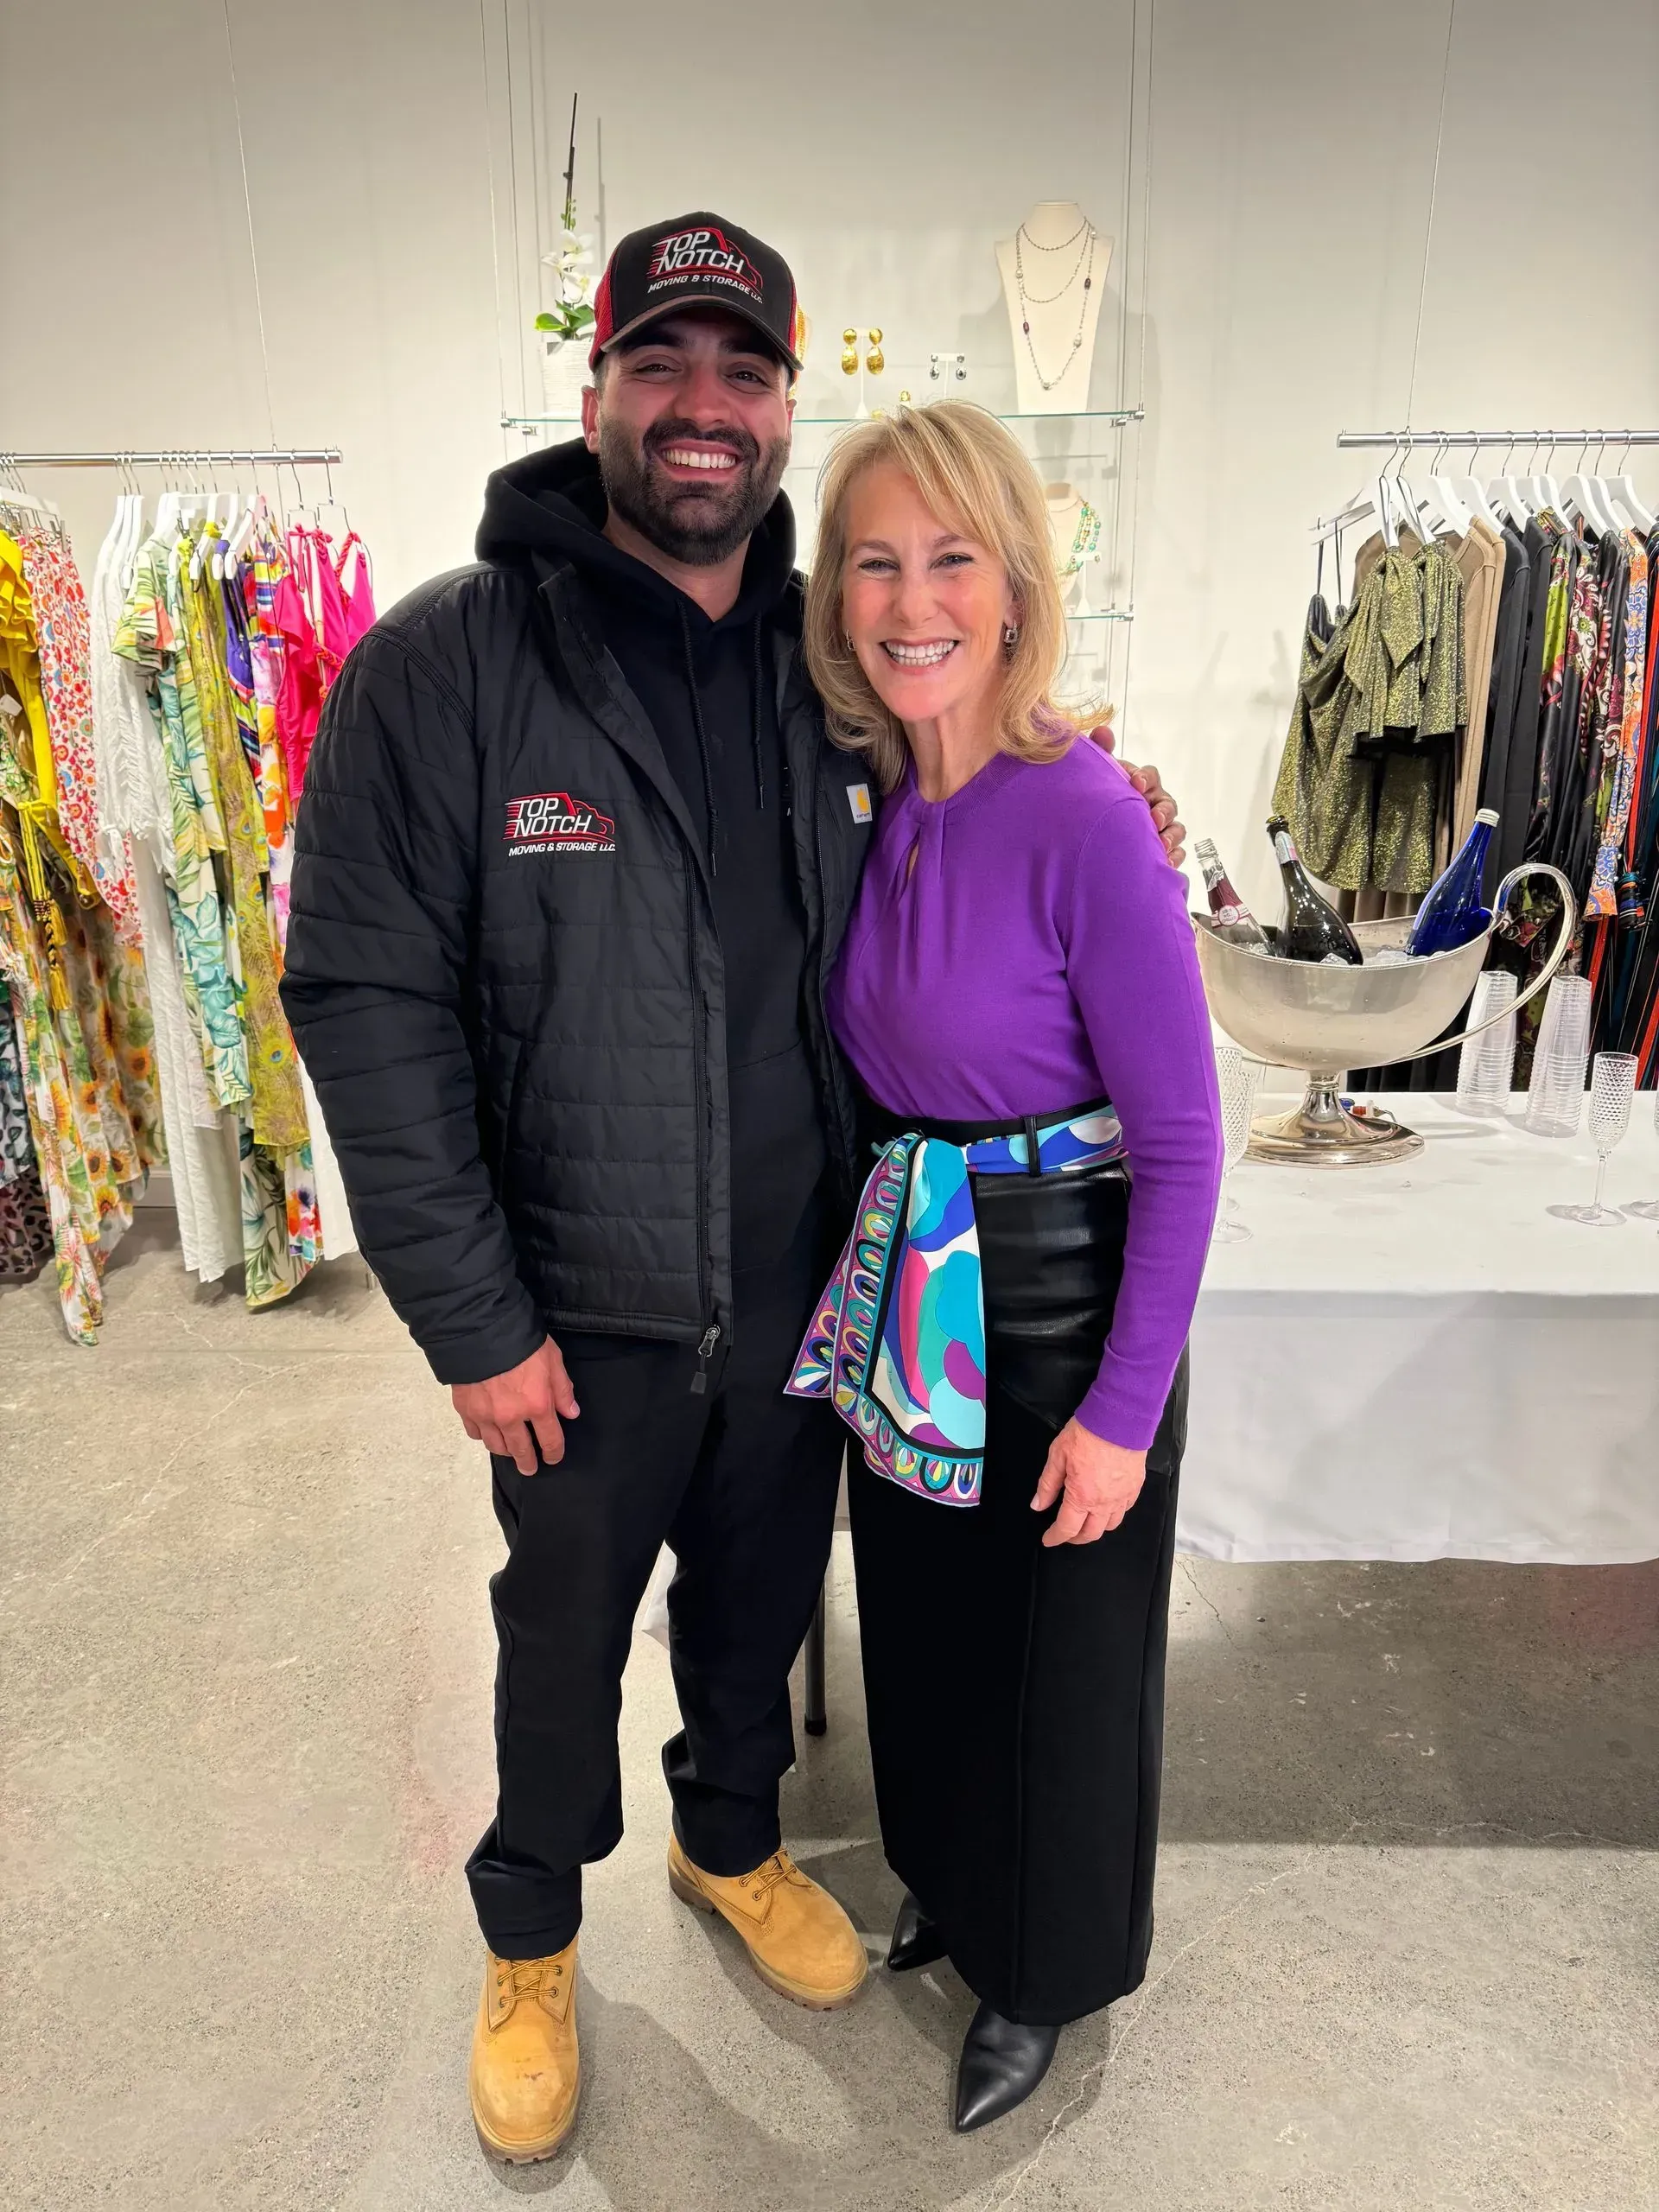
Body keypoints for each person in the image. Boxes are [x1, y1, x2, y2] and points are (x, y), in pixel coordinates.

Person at [280, 213, 1187, 2164]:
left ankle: (730, 1840)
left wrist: (1087, 797)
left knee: (765, 1607)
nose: (704, 406)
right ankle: (530, 1934)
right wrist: (472, 1316)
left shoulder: (823, 673)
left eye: (743, 370)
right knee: (556, 1642)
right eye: (663, 364)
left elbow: (962, 827)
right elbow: (363, 1000)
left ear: (783, 406)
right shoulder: (445, 667)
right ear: (596, 388)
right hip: (574, 1310)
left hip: (814, 1293)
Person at [790, 401, 1222, 2131]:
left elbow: (1185, 1146)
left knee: (1061, 1660)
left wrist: (1122, 1411)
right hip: (913, 1271)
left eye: (950, 557)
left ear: (1017, 581)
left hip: (1062, 1289)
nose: (912, 600)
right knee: (930, 1627)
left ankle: (1044, 1973)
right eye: (876, 561)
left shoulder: (1086, 813)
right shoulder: (871, 803)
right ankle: (957, 1884)